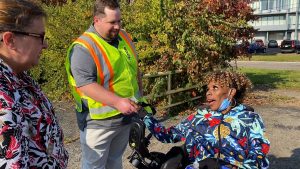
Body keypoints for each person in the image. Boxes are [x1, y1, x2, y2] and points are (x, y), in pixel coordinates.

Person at [65, 0, 148, 168]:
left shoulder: (123, 36)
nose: (117, 26)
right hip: (98, 124)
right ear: (97, 20)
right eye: (112, 22)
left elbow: (134, 69)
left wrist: (141, 100)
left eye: (119, 21)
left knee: (115, 162)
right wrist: (118, 102)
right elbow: (85, 84)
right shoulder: (83, 47)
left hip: (124, 119)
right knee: (94, 166)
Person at [143, 70, 270, 169]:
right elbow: (168, 135)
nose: (208, 93)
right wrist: (144, 116)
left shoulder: (250, 119)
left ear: (231, 92)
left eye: (215, 88)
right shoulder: (200, 116)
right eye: (208, 89)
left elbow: (259, 155)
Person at [0, 0, 68, 168]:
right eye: (40, 37)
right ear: (10, 40)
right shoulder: (3, 96)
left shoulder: (18, 78)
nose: (45, 45)